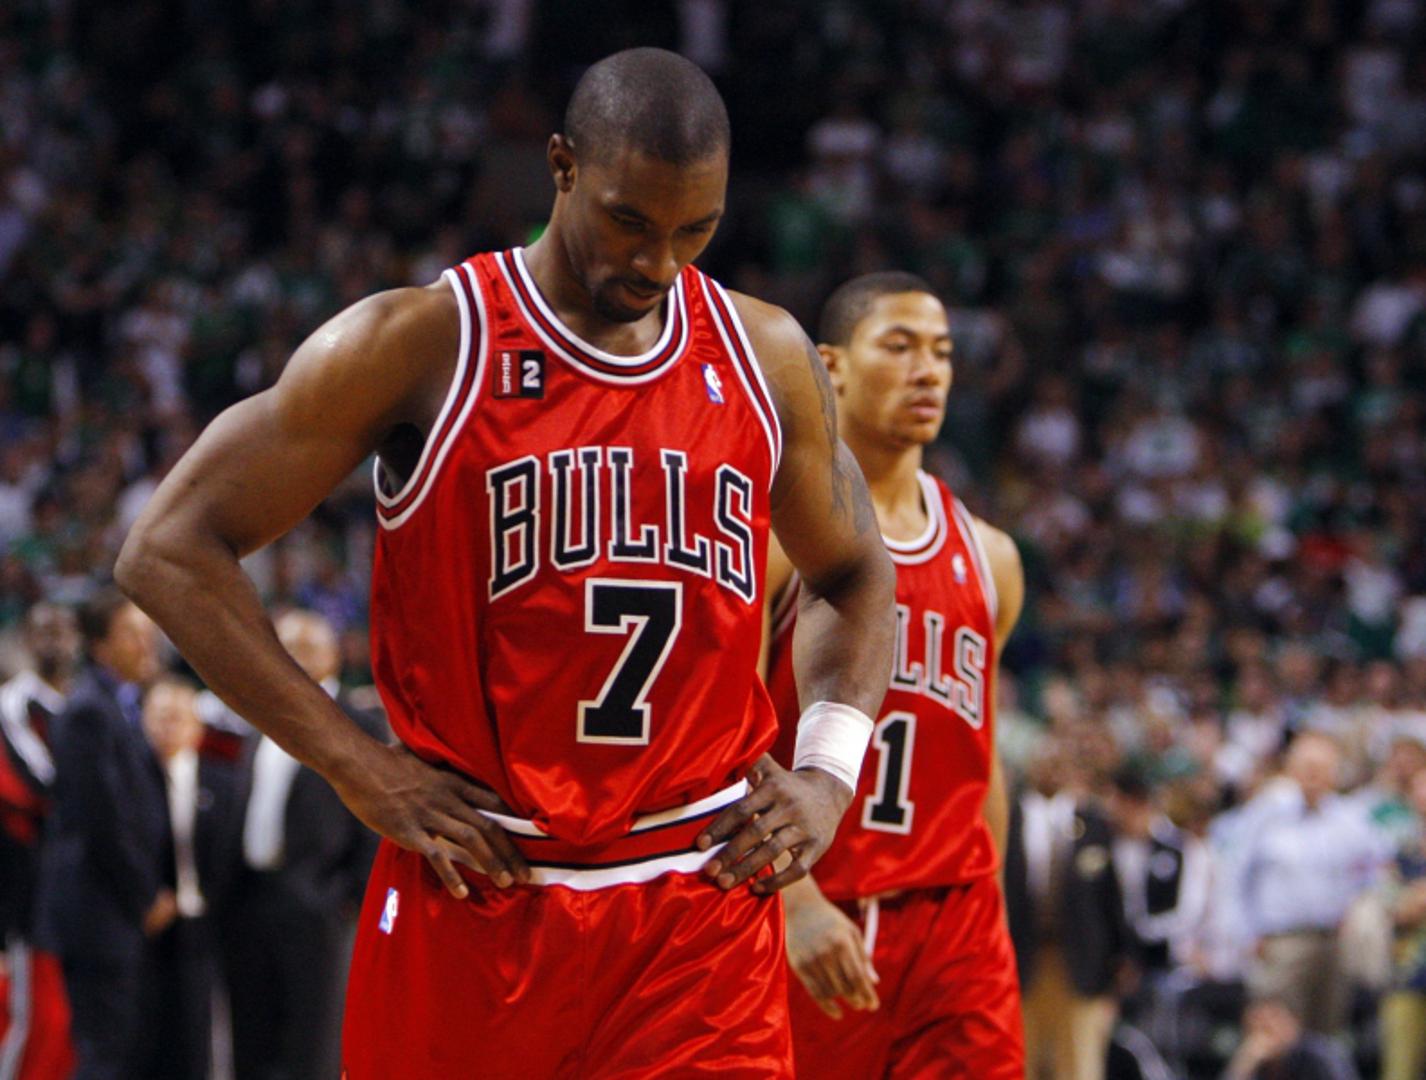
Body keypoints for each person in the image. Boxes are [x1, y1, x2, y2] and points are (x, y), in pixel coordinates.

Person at [116, 47, 896, 1079]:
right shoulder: (421, 341)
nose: (658, 263)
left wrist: (829, 775)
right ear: (561, 166)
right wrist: (355, 764)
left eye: (694, 231)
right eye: (629, 221)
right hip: (481, 884)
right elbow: (168, 549)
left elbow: (855, 574)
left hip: (696, 907)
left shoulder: (765, 356)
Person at [761, 271, 1024, 1077]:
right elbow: (720, 730)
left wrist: (993, 908)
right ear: (832, 366)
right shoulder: (775, 535)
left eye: (942, 352)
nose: (928, 371)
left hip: (955, 923)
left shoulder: (990, 556)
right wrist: (794, 901)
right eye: (900, 346)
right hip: (813, 907)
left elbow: (981, 760)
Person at [221, 609, 384, 1080]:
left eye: (306, 647)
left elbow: (373, 826)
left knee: (312, 1040)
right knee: (250, 1036)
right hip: (251, 900)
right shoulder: (261, 716)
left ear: (334, 655)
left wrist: (346, 898)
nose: (293, 656)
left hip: (317, 905)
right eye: (285, 646)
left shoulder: (359, 724)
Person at [33, 589, 174, 1080]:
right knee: (103, 1052)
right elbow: (105, 822)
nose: (146, 644)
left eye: (148, 633)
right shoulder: (89, 712)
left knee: (120, 1046)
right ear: (100, 646)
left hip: (114, 909)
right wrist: (145, 896)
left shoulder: (119, 704)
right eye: (132, 634)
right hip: (101, 911)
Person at [1235, 731, 1388, 1036]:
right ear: (1291, 769)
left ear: (1335, 773)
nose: (1313, 776)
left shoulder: (1349, 818)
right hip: (1282, 941)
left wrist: (1356, 907)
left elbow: (1377, 867)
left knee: (1327, 1032)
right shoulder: (1266, 813)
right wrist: (1246, 932)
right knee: (1276, 1032)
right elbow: (1238, 874)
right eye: (1307, 767)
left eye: (1321, 768)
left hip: (1334, 941)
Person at [1005, 738, 1132, 1080]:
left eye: (1060, 761)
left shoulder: (1093, 822)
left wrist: (1121, 955)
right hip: (1020, 957)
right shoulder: (1009, 817)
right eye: (1045, 759)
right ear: (1032, 766)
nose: (1053, 768)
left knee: (1079, 1063)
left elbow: (1110, 894)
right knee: (1017, 1059)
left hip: (1080, 960)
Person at [0, 603, 80, 1080]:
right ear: (27, 641)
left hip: (78, 883)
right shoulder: (12, 703)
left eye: (64, 630)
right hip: (30, 886)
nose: (56, 641)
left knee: (72, 1021)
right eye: (44, 631)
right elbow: (38, 786)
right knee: (36, 1017)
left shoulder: (81, 702)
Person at [136, 676, 228, 1080]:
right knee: (143, 1037)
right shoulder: (129, 780)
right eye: (159, 717)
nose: (167, 727)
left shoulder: (223, 783)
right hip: (147, 923)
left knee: (195, 1036)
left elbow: (230, 857)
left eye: (177, 717)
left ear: (197, 727)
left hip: (203, 924)